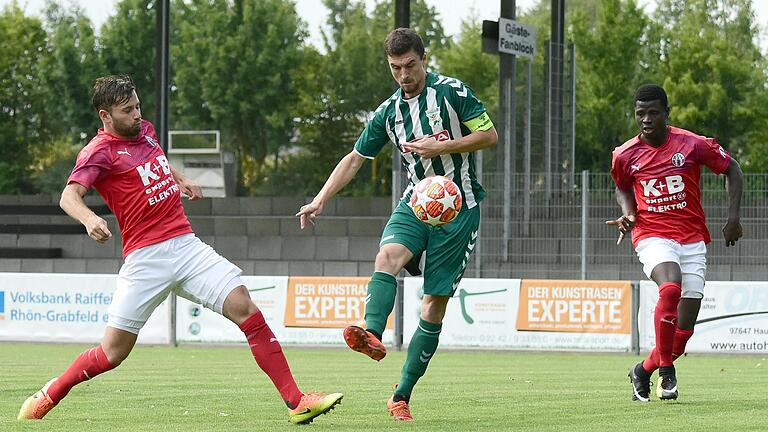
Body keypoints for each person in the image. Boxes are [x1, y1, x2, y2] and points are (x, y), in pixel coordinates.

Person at [17, 75, 342, 424]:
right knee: (113, 353)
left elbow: (155, 161)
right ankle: (51, 394)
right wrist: (88, 219)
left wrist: (180, 178)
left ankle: (297, 402)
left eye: (138, 106)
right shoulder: (97, 152)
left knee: (245, 306)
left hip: (186, 246)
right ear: (105, 116)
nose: (137, 114)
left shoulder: (146, 131)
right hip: (146, 259)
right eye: (127, 110)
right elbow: (69, 196)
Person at [296, 28, 497, 421]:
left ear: (424, 58)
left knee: (433, 304)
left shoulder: (454, 92)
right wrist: (321, 199)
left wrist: (442, 147)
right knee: (386, 255)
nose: (403, 75)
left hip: (459, 209)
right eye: (395, 68)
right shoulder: (389, 112)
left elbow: (489, 135)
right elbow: (354, 158)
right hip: (416, 201)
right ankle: (372, 333)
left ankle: (401, 394)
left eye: (409, 66)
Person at [608, 84, 743, 402]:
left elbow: (732, 169)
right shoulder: (624, 154)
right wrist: (628, 214)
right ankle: (667, 374)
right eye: (640, 113)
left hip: (692, 238)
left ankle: (642, 370)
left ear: (667, 113)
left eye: (653, 112)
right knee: (670, 288)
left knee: (680, 337)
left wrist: (733, 219)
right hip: (652, 235)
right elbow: (622, 187)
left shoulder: (693, 144)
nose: (646, 119)